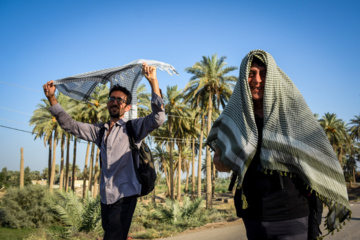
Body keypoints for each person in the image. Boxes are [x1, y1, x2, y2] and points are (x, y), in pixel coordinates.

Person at [207, 50, 351, 239]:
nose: (257, 80)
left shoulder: (294, 116)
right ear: (243, 79)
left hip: (292, 217)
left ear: (273, 78)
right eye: (251, 74)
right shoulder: (234, 120)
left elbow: (320, 155)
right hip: (253, 218)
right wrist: (220, 161)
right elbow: (222, 164)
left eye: (263, 73)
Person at [43, 63, 165, 240]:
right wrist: (52, 99)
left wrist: (153, 82)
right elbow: (71, 126)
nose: (115, 102)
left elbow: (158, 118)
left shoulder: (132, 128)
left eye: (120, 100)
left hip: (125, 195)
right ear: (108, 103)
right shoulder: (99, 131)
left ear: (127, 107)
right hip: (105, 198)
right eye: (112, 99)